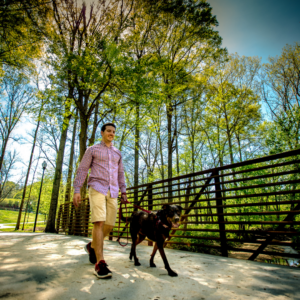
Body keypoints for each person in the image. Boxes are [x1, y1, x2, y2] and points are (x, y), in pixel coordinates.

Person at [73, 123, 127, 279]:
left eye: (113, 132)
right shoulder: (92, 150)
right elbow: (82, 169)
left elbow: (121, 174)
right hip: (97, 187)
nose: (111, 133)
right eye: (108, 131)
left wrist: (123, 191)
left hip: (113, 191)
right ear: (102, 133)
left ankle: (92, 246)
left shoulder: (118, 153)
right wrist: (77, 190)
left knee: (109, 226)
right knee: (99, 222)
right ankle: (100, 262)